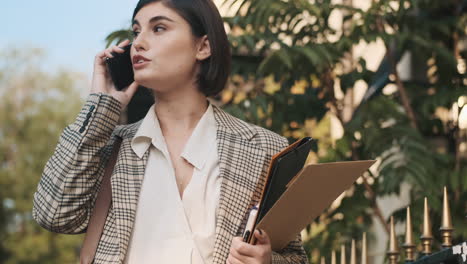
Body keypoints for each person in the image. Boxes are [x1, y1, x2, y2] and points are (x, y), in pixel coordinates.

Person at [32, 0, 308, 263]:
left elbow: (295, 256)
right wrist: (101, 106)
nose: (138, 42)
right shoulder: (109, 146)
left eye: (159, 28)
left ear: (203, 46)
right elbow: (53, 214)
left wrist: (265, 260)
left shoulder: (265, 148)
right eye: (136, 30)